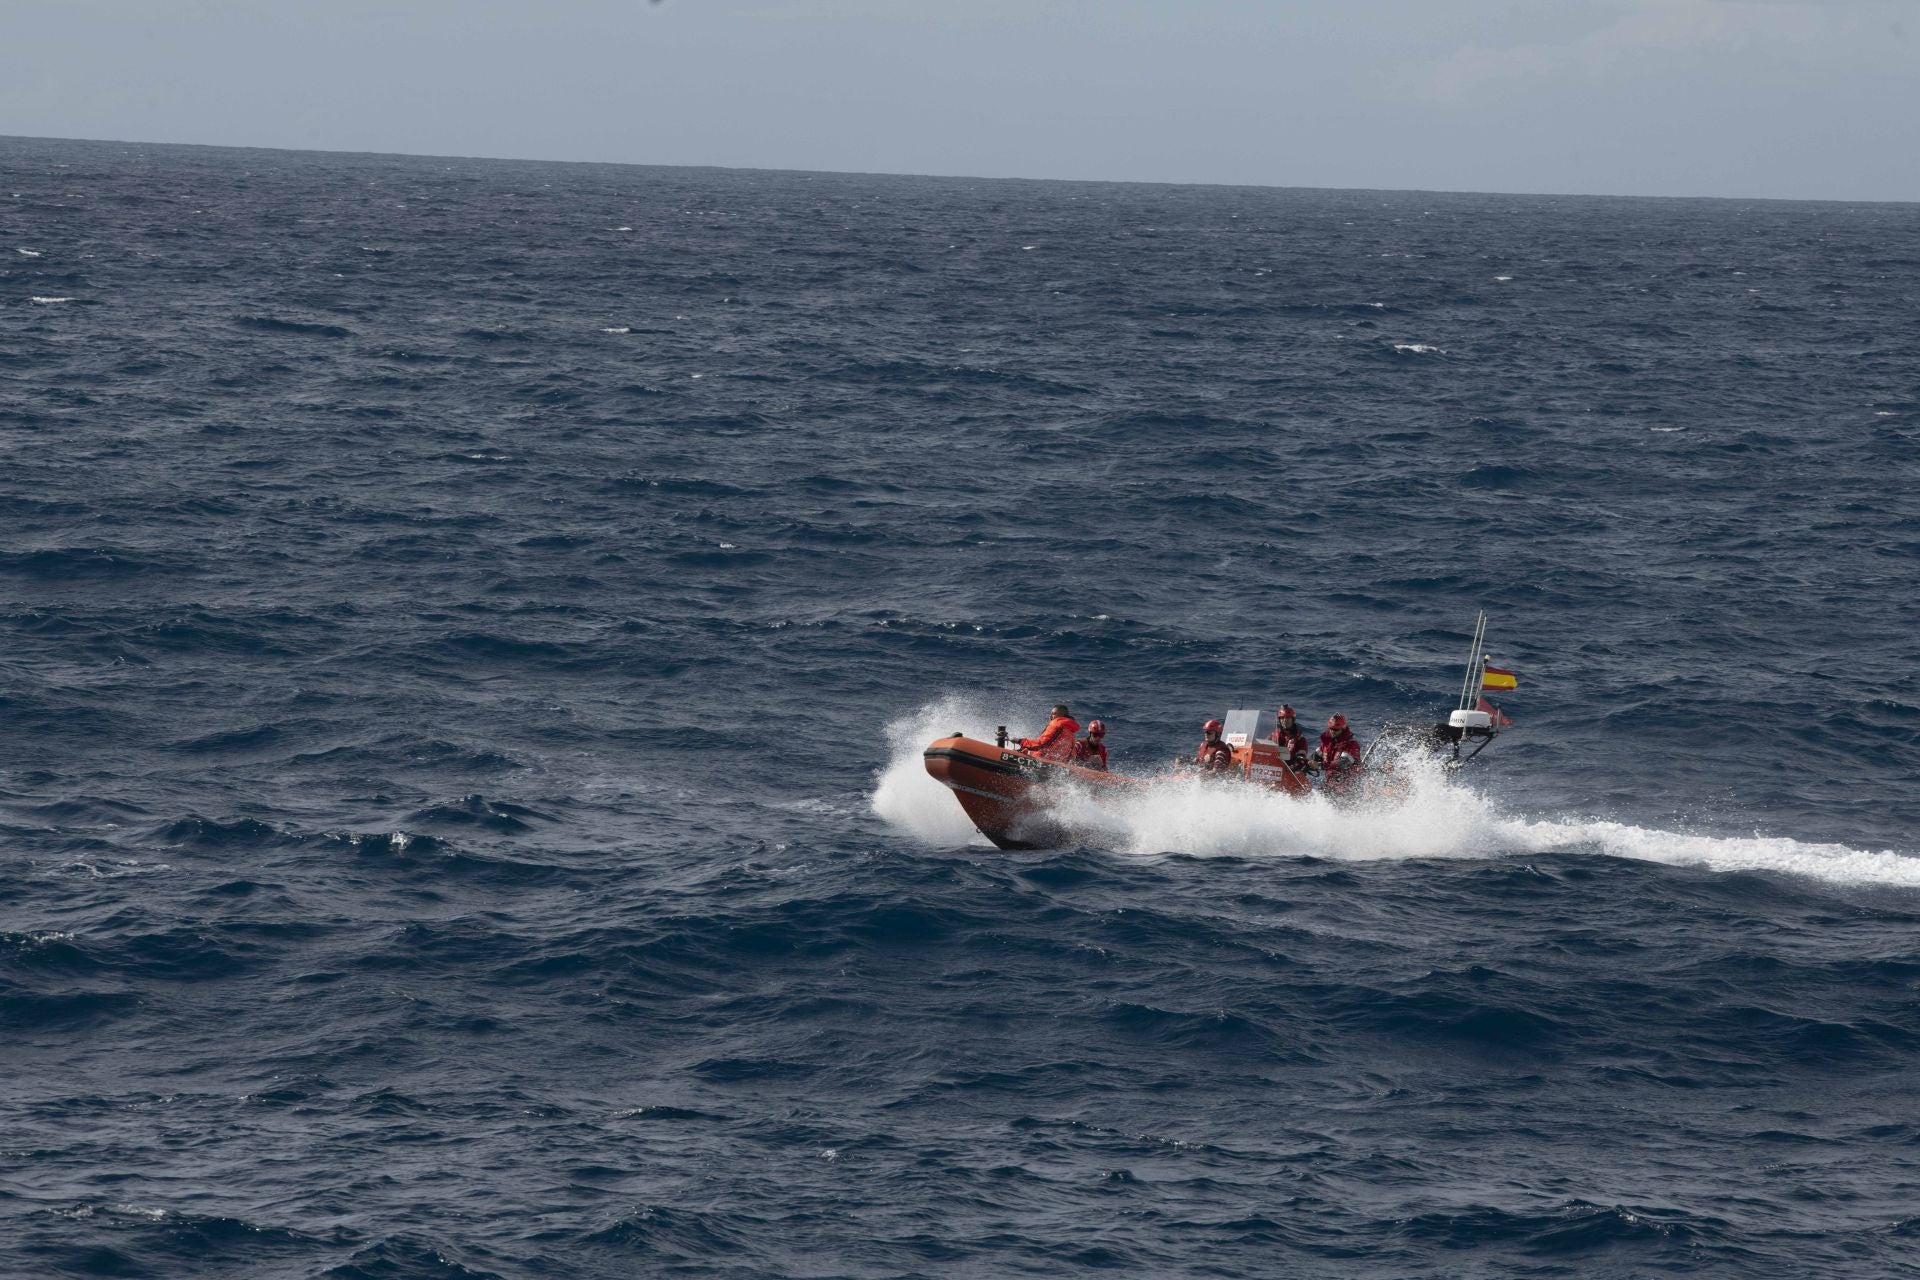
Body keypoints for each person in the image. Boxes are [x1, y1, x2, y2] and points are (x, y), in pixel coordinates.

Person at [1319, 714, 1364, 793]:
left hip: (1348, 786)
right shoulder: (1326, 744)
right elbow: (1316, 756)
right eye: (1331, 729)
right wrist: (1306, 762)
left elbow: (1343, 762)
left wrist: (1322, 765)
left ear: (1342, 729)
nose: (1333, 732)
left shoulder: (1351, 744)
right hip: (1330, 784)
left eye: (1336, 730)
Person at [1272, 704, 1310, 770]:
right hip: (1273, 767)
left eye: (1287, 718)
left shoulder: (1300, 739)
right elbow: (1263, 747)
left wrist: (1290, 768)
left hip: (1290, 771)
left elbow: (1301, 759)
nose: (1285, 720)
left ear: (1293, 719)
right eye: (1282, 718)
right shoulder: (1275, 734)